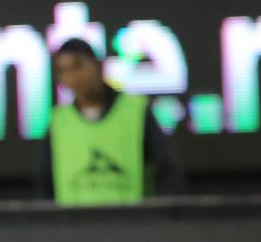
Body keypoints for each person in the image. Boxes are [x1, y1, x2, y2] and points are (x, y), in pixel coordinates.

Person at [34, 38, 184, 204]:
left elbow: (168, 171)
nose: (74, 76)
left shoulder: (136, 111)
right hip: (75, 226)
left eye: (79, 66)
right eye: (64, 70)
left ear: (98, 65)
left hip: (129, 225)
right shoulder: (58, 121)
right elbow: (44, 185)